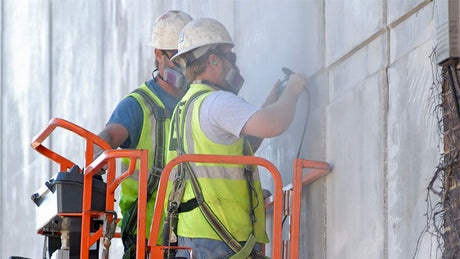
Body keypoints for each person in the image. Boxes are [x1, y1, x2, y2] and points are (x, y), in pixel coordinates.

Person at [162, 18, 308, 259]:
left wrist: (272, 100)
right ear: (214, 59)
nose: (235, 66)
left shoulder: (187, 105)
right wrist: (292, 91)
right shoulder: (217, 102)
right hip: (220, 235)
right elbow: (274, 124)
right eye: (231, 57)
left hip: (195, 234)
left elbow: (242, 148)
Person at [94, 10, 192, 258]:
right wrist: (98, 158)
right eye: (176, 58)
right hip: (147, 236)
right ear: (158, 54)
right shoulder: (138, 105)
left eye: (188, 58)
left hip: (193, 233)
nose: (182, 66)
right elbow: (106, 137)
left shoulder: (199, 102)